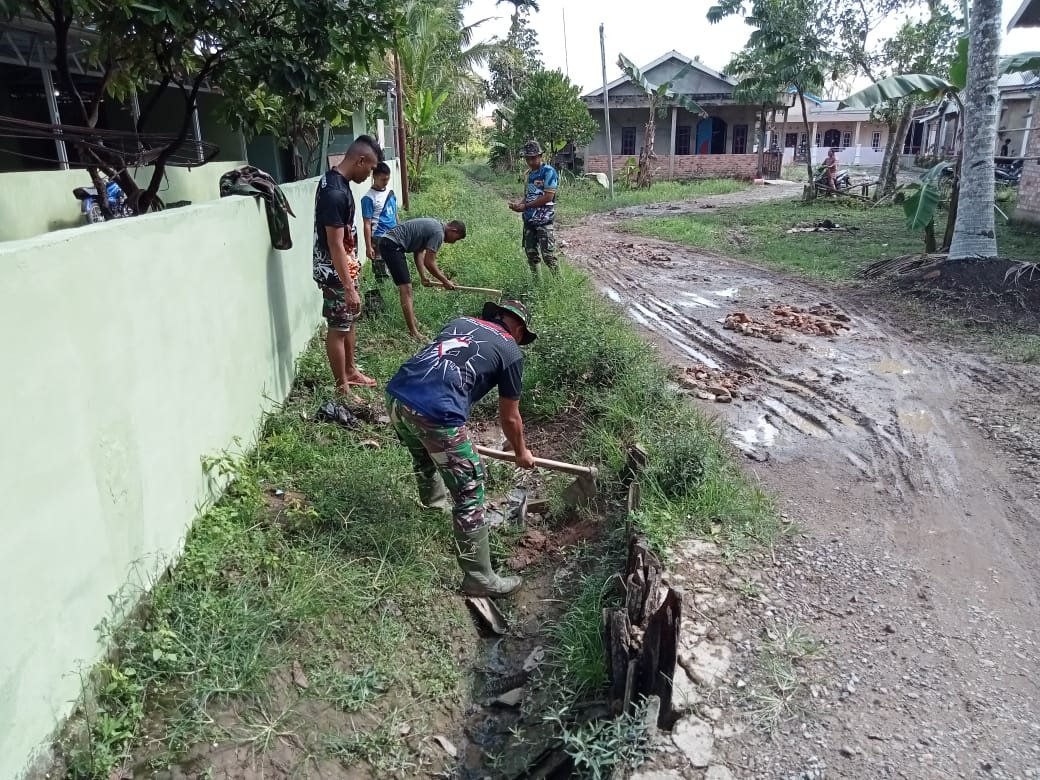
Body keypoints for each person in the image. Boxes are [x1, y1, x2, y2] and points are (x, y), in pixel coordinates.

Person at [385, 300, 538, 598]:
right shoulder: (511, 350)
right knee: (469, 488)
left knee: (424, 455)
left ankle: (432, 506)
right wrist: (521, 453)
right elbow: (509, 416)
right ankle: (479, 577)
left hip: (395, 397)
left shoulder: (460, 322)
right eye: (522, 335)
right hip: (436, 413)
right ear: (518, 329)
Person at [312, 135, 383, 395]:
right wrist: (348, 286)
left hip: (344, 268)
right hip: (334, 273)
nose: (370, 173)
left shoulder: (337, 181)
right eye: (371, 167)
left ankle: (351, 370)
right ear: (360, 160)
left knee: (349, 320)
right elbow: (334, 244)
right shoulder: (334, 192)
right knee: (339, 327)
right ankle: (342, 386)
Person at [378, 217, 467, 341]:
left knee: (406, 288)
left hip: (388, 242)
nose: (453, 242)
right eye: (456, 239)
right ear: (453, 230)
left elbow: (418, 253)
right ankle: (413, 332)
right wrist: (445, 281)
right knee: (406, 289)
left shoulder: (435, 226)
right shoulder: (439, 233)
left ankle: (413, 321)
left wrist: (423, 277)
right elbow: (429, 262)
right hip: (392, 245)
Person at [509, 140, 559, 276]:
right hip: (529, 220)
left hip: (544, 220)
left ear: (540, 156)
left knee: (549, 256)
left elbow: (548, 197)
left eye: (533, 158)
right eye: (528, 159)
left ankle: (560, 285)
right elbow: (529, 195)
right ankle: (537, 286)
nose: (530, 162)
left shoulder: (549, 172)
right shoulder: (529, 174)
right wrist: (520, 205)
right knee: (531, 255)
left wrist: (525, 206)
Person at [361, 162, 398, 283]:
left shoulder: (390, 192)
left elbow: (395, 213)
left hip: (393, 235)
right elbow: (367, 224)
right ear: (374, 177)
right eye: (383, 179)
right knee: (381, 272)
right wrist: (368, 246)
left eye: (387, 179)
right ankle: (382, 294)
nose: (386, 182)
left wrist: (399, 229)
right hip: (379, 239)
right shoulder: (368, 198)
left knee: (395, 268)